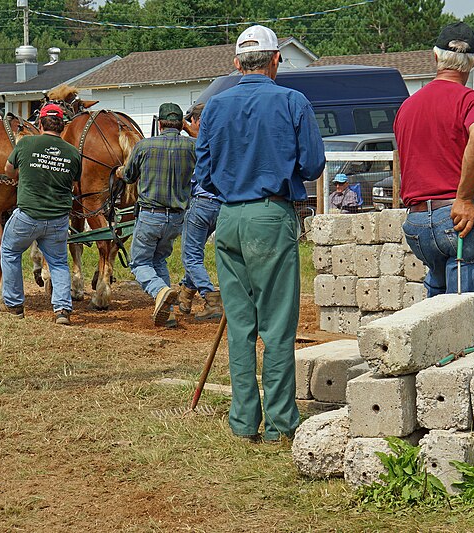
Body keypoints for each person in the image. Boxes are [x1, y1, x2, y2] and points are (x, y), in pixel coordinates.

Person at [195, 24, 325, 442]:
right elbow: (313, 165)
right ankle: (281, 424)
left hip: (228, 218)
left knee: (240, 324)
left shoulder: (213, 106)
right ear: (275, 60)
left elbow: (204, 172)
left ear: (236, 63)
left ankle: (244, 422)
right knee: (276, 326)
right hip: (270, 215)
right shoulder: (292, 101)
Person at [394, 21, 474, 328]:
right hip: (458, 219)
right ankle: (458, 373)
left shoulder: (407, 107)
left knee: (435, 318)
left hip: (418, 223)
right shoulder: (473, 101)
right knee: (464, 321)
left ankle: (431, 370)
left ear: (435, 57)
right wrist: (464, 197)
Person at [0, 103, 81, 324]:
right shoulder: (73, 153)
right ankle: (62, 310)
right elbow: (73, 182)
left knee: (8, 251)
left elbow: (8, 169)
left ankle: (15, 305)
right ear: (62, 126)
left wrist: (20, 175)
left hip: (28, 215)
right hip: (58, 219)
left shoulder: (26, 143)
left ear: (40, 123)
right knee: (58, 262)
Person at [123, 103, 195, 327]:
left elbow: (128, 176)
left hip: (150, 215)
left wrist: (118, 171)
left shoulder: (145, 146)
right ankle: (168, 312)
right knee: (159, 260)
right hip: (176, 219)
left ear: (160, 123)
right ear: (181, 124)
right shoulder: (193, 147)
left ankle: (160, 291)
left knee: (139, 263)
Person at [177, 103, 223, 322]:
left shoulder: (198, 145)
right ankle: (185, 294)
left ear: (197, 121)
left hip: (202, 203)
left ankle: (210, 298)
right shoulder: (226, 140)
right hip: (222, 205)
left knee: (191, 256)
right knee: (195, 253)